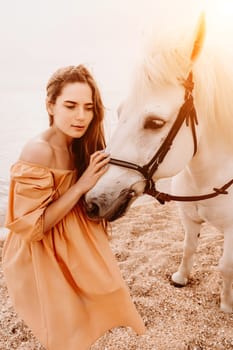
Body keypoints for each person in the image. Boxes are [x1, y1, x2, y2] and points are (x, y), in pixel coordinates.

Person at [2, 65, 145, 350]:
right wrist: (80, 185)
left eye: (88, 108)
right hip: (41, 249)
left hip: (76, 236)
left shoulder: (82, 145)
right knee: (65, 329)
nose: (81, 117)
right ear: (51, 105)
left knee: (109, 294)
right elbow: (33, 228)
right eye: (70, 106)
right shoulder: (39, 150)